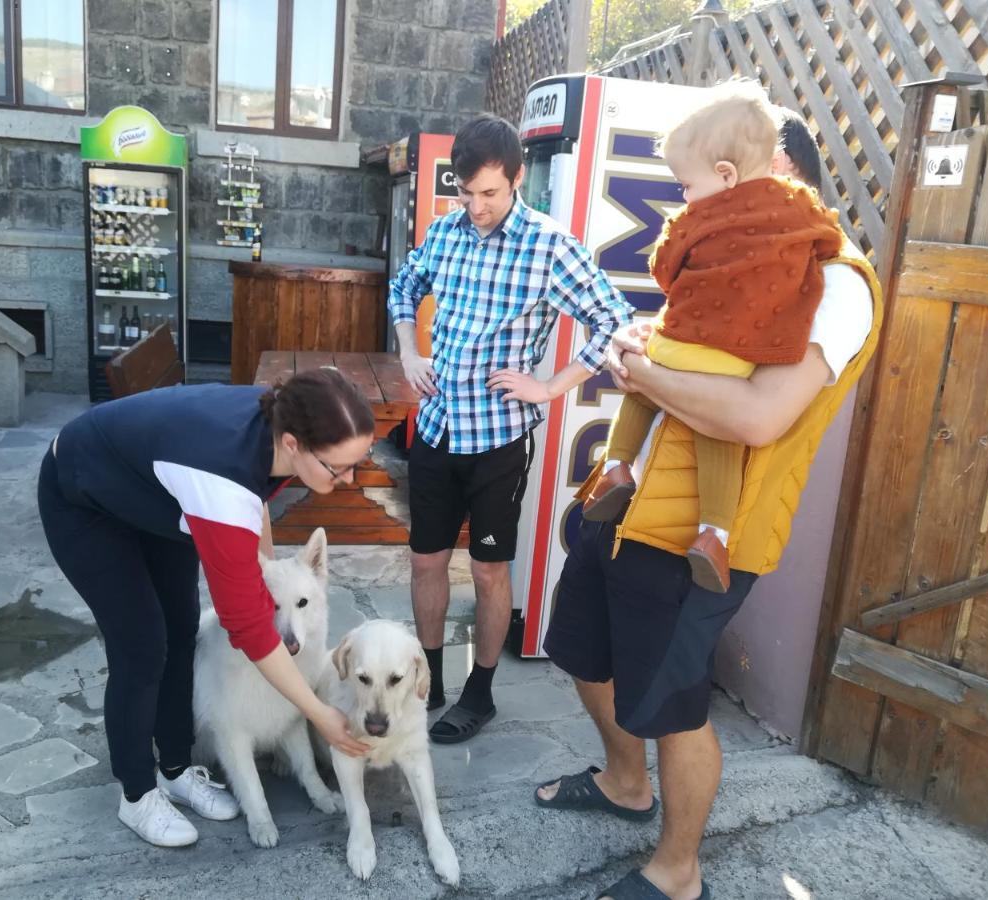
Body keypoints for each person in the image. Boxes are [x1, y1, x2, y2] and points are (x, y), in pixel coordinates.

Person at [533, 95, 882, 900]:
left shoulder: (837, 285)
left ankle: (678, 870)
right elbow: (682, 352)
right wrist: (638, 348)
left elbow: (756, 414)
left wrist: (644, 371)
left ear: (770, 171)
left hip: (701, 540)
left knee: (675, 708)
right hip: (624, 508)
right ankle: (627, 785)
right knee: (582, 654)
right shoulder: (736, 260)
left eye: (694, 187)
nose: (685, 206)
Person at [37, 371, 372, 848]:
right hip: (84, 496)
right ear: (294, 444)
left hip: (155, 493)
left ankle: (175, 768)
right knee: (143, 647)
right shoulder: (221, 481)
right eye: (338, 469)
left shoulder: (277, 420)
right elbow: (250, 628)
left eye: (356, 464)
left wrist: (268, 573)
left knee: (180, 628)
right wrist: (319, 713)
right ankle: (136, 794)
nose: (348, 479)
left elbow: (254, 505)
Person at [388, 114, 632, 744]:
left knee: (491, 570)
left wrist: (549, 385)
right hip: (438, 427)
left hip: (498, 439)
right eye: (466, 193)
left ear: (517, 179)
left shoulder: (550, 245)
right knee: (424, 562)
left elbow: (615, 321)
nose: (476, 206)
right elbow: (403, 286)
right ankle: (431, 679)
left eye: (489, 193)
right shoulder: (447, 231)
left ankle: (480, 692)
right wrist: (410, 351)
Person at [580, 81, 843, 594]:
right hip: (738, 354)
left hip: (681, 343)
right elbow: (827, 236)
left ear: (726, 172)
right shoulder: (801, 216)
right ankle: (714, 533)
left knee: (640, 382)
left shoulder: (700, 216)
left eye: (684, 185)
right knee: (717, 437)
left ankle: (615, 466)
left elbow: (664, 266)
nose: (684, 195)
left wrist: (639, 359)